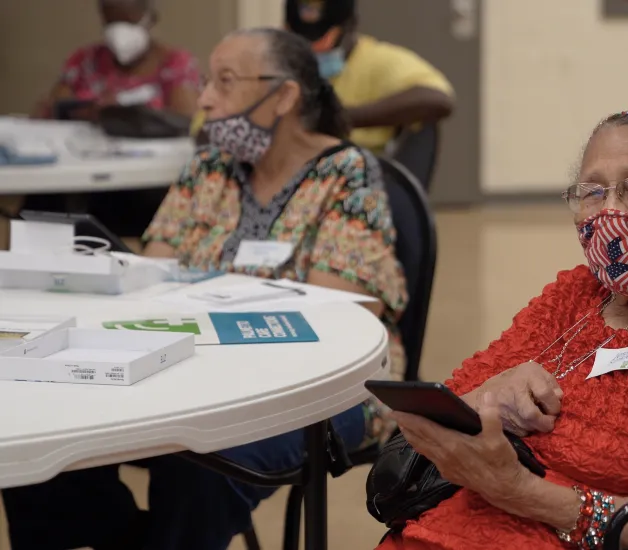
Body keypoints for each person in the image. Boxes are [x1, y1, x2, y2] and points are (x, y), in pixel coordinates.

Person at [1, 28, 406, 550]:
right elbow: (152, 276)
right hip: (193, 374)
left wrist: (198, 292)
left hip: (320, 391)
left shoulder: (346, 173)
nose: (206, 98)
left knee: (201, 467)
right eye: (206, 81)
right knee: (45, 439)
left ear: (285, 95)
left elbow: (341, 304)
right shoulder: (208, 166)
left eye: (225, 82)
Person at [379, 109, 628, 550]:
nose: (610, 211)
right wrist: (489, 394)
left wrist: (517, 490)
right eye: (593, 192)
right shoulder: (579, 294)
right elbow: (449, 404)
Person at [284, 0, 454, 153]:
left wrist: (342, 118)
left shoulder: (374, 61)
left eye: (321, 40)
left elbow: (439, 99)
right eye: (300, 39)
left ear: (350, 26)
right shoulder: (278, 63)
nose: (311, 49)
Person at [33, 0, 199, 121]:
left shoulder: (175, 64)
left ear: (151, 19)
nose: (119, 31)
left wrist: (120, 117)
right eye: (111, 21)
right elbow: (54, 110)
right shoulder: (84, 61)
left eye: (128, 21)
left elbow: (186, 121)